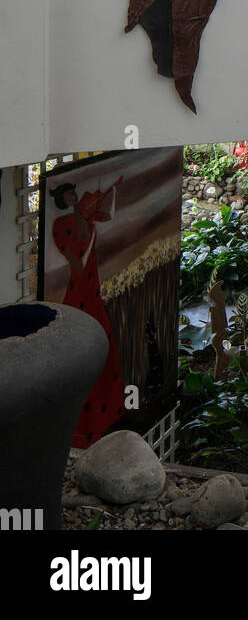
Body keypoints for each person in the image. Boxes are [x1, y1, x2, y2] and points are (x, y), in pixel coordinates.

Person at [51, 178, 125, 447]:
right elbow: (78, 254)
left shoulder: (85, 216)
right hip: (80, 289)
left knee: (102, 342)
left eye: (73, 193)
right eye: (68, 195)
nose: (73, 197)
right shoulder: (61, 225)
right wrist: (82, 215)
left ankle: (107, 415)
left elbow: (107, 215)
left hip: (92, 287)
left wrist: (106, 196)